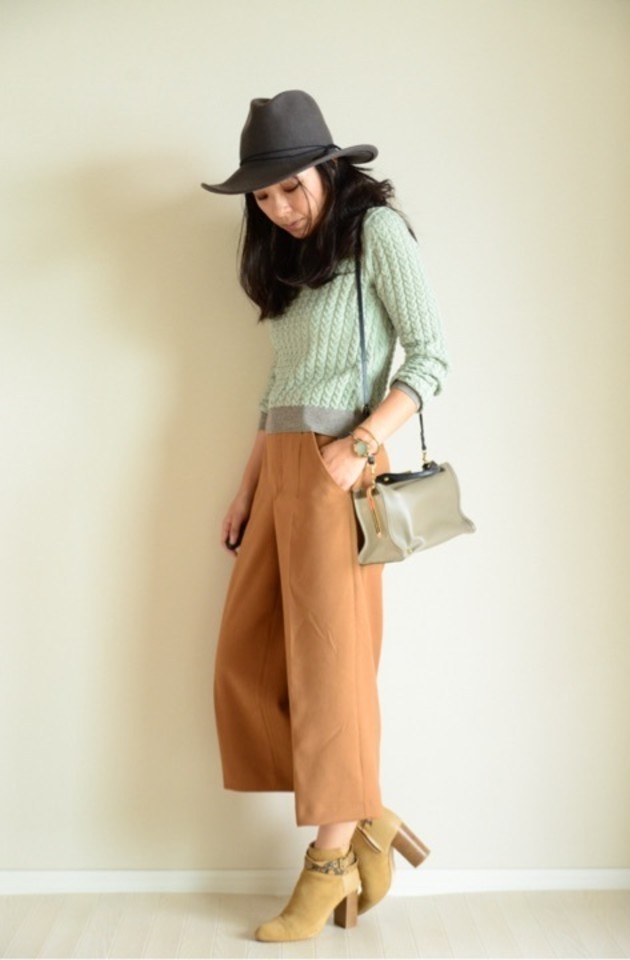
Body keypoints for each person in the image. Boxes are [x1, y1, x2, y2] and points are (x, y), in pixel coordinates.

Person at [201, 89, 448, 943]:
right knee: (247, 662)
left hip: (337, 467)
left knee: (330, 668)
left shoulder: (375, 233)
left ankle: (331, 859)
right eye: (264, 196)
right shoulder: (291, 258)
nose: (279, 207)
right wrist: (248, 487)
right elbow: (280, 385)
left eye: (291, 188)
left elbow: (433, 357)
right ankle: (368, 811)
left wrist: (360, 446)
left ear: (329, 169)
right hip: (279, 467)